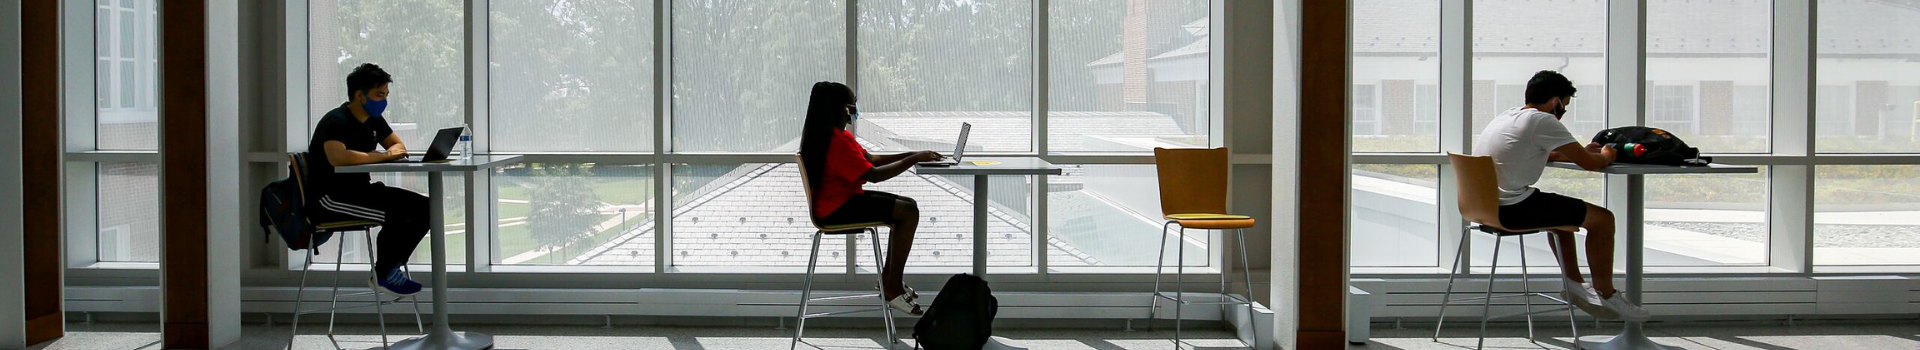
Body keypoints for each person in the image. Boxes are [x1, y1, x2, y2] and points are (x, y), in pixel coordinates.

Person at [1472, 70, 1649, 321]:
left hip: (1485, 206)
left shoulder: (1508, 116)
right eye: (1564, 106)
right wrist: (1608, 154)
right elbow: (1590, 164)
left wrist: (1580, 152)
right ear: (1555, 101)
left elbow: (1545, 153)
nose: (1562, 112)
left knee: (1562, 217)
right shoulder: (1543, 121)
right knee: (1603, 219)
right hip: (1513, 209)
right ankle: (1607, 293)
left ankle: (1574, 284)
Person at [798, 81, 943, 316]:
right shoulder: (837, 142)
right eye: (853, 108)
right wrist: (914, 159)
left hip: (839, 201)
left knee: (909, 206)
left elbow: (872, 159)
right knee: (908, 213)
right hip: (837, 208)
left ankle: (889, 279)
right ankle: (892, 286)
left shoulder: (832, 136)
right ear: (842, 109)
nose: (854, 114)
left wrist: (917, 154)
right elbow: (874, 175)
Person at [307, 63, 429, 296]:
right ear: (359, 95)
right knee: (398, 215)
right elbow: (337, 157)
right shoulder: (336, 120)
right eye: (379, 95)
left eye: (385, 95)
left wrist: (384, 154)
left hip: (362, 191)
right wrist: (380, 156)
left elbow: (398, 146)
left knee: (426, 207)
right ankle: (384, 275)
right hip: (329, 199)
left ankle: (388, 269)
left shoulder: (374, 120)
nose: (383, 101)